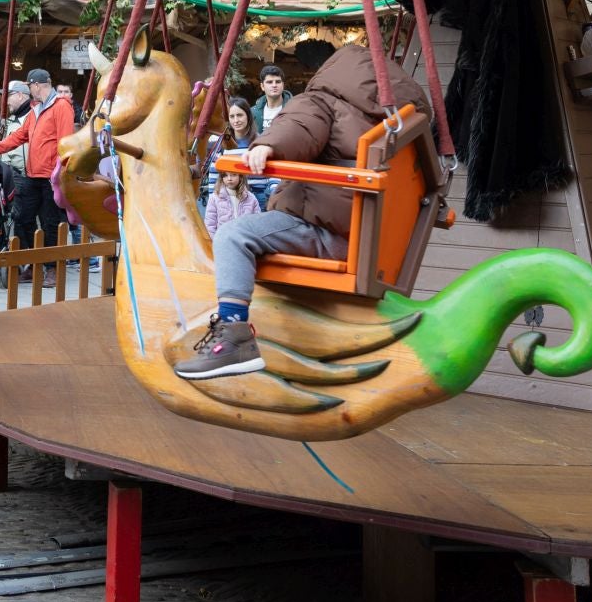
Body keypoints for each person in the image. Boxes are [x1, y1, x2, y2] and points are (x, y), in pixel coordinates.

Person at [176, 42, 431, 379]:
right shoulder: (404, 121)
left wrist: (268, 144)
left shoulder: (324, 99)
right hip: (373, 246)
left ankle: (234, 335)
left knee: (233, 235)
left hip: (321, 232)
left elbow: (302, 124)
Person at [0, 67, 78, 285]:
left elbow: (65, 142)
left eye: (30, 87)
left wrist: (60, 173)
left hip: (50, 177)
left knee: (50, 223)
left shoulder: (61, 107)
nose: (29, 91)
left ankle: (52, 268)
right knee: (21, 218)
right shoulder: (36, 109)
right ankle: (35, 263)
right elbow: (19, 136)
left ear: (37, 85)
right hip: (33, 175)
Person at [203, 166, 260, 237]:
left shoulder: (251, 198)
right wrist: (214, 242)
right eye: (225, 175)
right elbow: (210, 224)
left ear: (240, 176)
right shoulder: (214, 198)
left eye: (233, 175)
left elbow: (257, 223)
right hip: (223, 241)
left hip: (245, 241)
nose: (229, 179)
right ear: (221, 178)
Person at [249, 63, 292, 133]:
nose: (274, 85)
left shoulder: (294, 109)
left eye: (278, 82)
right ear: (262, 86)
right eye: (269, 82)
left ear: (283, 85)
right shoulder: (252, 112)